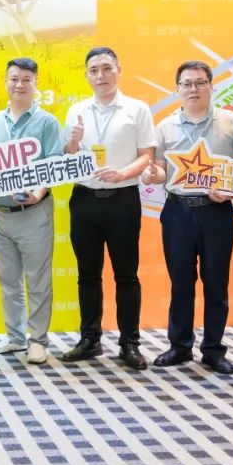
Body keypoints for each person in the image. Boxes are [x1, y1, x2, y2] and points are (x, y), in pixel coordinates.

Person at [141, 60, 233, 375]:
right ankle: (179, 346)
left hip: (217, 212)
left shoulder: (232, 122)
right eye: (186, 83)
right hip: (178, 212)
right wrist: (152, 175)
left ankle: (213, 350)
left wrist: (229, 190)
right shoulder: (165, 126)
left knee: (216, 283)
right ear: (177, 89)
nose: (193, 89)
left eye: (200, 82)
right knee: (181, 283)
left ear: (211, 86)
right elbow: (162, 170)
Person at [62, 46, 156, 370]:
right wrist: (73, 142)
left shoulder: (137, 109)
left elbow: (147, 155)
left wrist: (123, 174)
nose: (100, 75)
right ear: (86, 75)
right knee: (87, 274)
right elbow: (68, 157)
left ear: (118, 70)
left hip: (123, 200)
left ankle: (130, 343)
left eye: (106, 68)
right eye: (93, 70)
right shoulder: (76, 111)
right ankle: (90, 339)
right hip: (84, 199)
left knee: (126, 275)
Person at [0, 58, 63, 366]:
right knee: (8, 279)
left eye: (27, 79)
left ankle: (37, 340)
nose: (19, 84)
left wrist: (38, 192)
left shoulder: (47, 122)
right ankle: (14, 337)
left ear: (36, 84)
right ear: (5, 82)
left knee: (37, 280)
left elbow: (54, 163)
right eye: (14, 78)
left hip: (34, 212)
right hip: (0, 211)